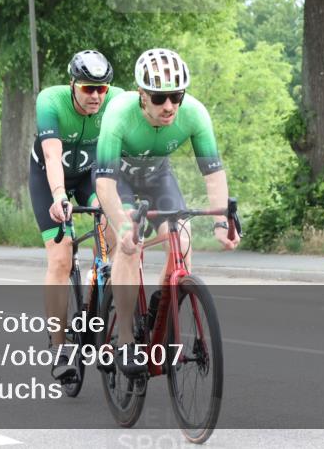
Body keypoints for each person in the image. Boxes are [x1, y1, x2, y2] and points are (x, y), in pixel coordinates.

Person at [96, 48, 239, 376]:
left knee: (183, 242)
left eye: (176, 96)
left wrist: (221, 222)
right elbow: (104, 185)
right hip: (118, 178)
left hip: (158, 176)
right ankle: (126, 338)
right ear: (141, 95)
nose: (170, 106)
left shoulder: (195, 114)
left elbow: (213, 173)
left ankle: (160, 309)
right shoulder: (118, 112)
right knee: (129, 245)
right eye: (160, 98)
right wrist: (122, 227)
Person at [29, 50, 121, 381]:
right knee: (60, 256)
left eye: (102, 89)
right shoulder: (50, 102)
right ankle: (59, 346)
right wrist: (57, 196)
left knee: (112, 231)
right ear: (72, 85)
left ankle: (96, 300)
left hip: (90, 175)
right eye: (87, 88)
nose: (96, 96)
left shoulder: (118, 101)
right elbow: (53, 157)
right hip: (48, 177)